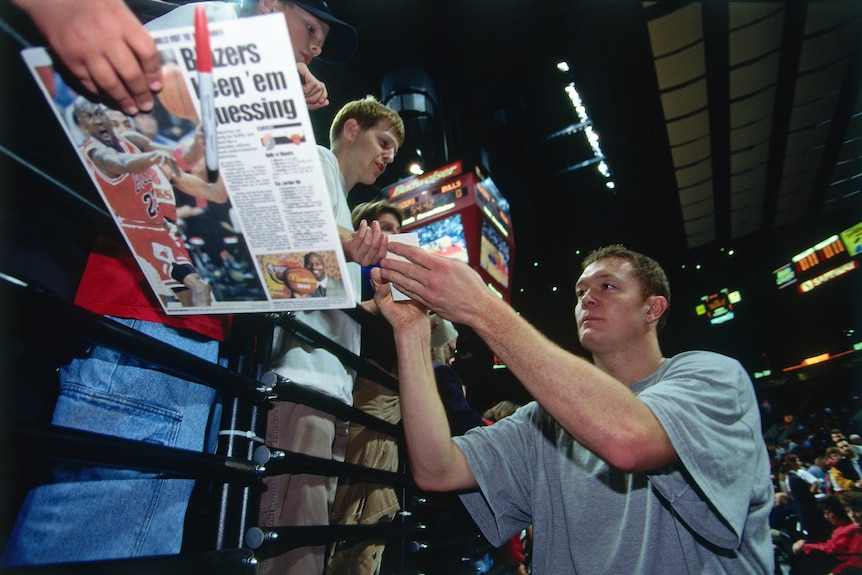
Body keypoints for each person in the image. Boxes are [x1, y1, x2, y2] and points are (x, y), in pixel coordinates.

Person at [370, 243, 774, 573]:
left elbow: (630, 439)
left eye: (608, 287)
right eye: (581, 292)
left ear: (653, 309)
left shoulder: (713, 377)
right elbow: (436, 468)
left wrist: (481, 306)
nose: (587, 299)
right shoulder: (543, 420)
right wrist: (411, 332)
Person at [260, 96, 405, 575]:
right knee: (297, 546)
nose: (388, 157)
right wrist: (356, 247)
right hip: (304, 374)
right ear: (350, 129)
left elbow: (319, 282)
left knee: (312, 540)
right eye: (383, 141)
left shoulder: (344, 202)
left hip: (331, 381)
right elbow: (293, 241)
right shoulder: (318, 161)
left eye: (394, 151)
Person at [792, 492, 862, 575]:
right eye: (848, 511)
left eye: (856, 511)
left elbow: (853, 562)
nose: (852, 515)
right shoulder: (855, 531)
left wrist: (806, 547)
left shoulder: (852, 529)